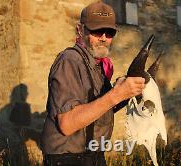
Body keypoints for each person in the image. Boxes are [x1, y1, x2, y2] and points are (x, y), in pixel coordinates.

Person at [40, 1, 145, 166]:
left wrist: (125, 93)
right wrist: (115, 94)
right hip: (68, 158)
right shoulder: (70, 60)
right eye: (96, 30)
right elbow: (67, 124)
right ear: (80, 30)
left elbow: (99, 108)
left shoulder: (97, 64)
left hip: (92, 154)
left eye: (109, 33)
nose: (103, 38)